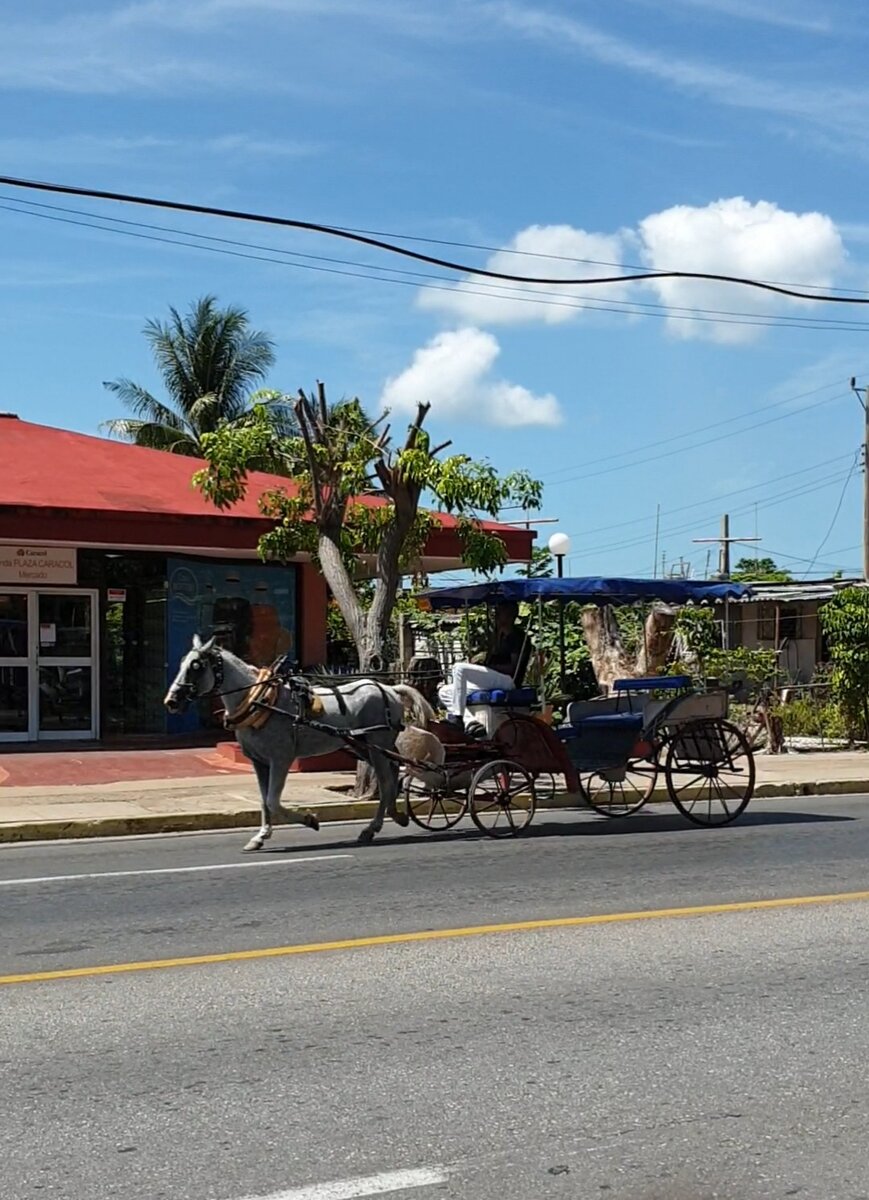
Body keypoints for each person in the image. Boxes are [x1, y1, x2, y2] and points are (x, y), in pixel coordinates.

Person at [438, 600, 525, 726]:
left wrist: (487, 668)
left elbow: (513, 668)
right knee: (445, 691)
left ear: (510, 615)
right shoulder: (498, 636)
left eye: (500, 613)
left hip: (508, 680)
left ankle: (457, 717)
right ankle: (470, 722)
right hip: (494, 678)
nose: (496, 617)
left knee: (459, 668)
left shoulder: (518, 637)